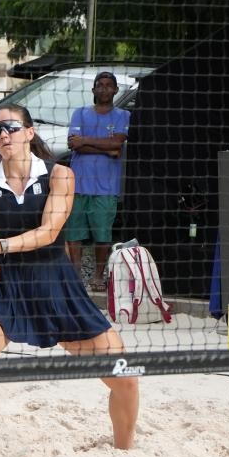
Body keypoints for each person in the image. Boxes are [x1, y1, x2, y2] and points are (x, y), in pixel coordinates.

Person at [0, 104, 139, 457]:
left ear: (30, 133)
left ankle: (124, 454)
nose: (4, 135)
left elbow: (50, 233)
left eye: (12, 127)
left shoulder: (60, 175)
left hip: (56, 284)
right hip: (8, 287)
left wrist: (1, 246)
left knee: (124, 377)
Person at [63, 71, 130, 292]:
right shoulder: (80, 113)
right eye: (99, 85)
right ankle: (75, 278)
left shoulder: (122, 115)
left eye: (108, 85)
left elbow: (117, 145)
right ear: (93, 90)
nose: (103, 89)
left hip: (106, 188)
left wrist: (86, 142)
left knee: (103, 235)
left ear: (115, 90)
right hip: (78, 185)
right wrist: (105, 146)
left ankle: (98, 277)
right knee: (74, 234)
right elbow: (74, 145)